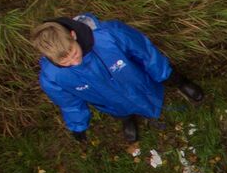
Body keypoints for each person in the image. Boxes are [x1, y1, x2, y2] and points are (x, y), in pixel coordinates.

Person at [33, 15, 205, 144]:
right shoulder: (52, 77)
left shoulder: (109, 35)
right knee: (119, 107)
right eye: (65, 62)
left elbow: (146, 53)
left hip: (138, 81)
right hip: (110, 101)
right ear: (51, 59)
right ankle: (127, 117)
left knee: (165, 76)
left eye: (74, 53)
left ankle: (180, 82)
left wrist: (164, 74)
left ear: (73, 35)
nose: (75, 62)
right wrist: (78, 126)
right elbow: (69, 103)